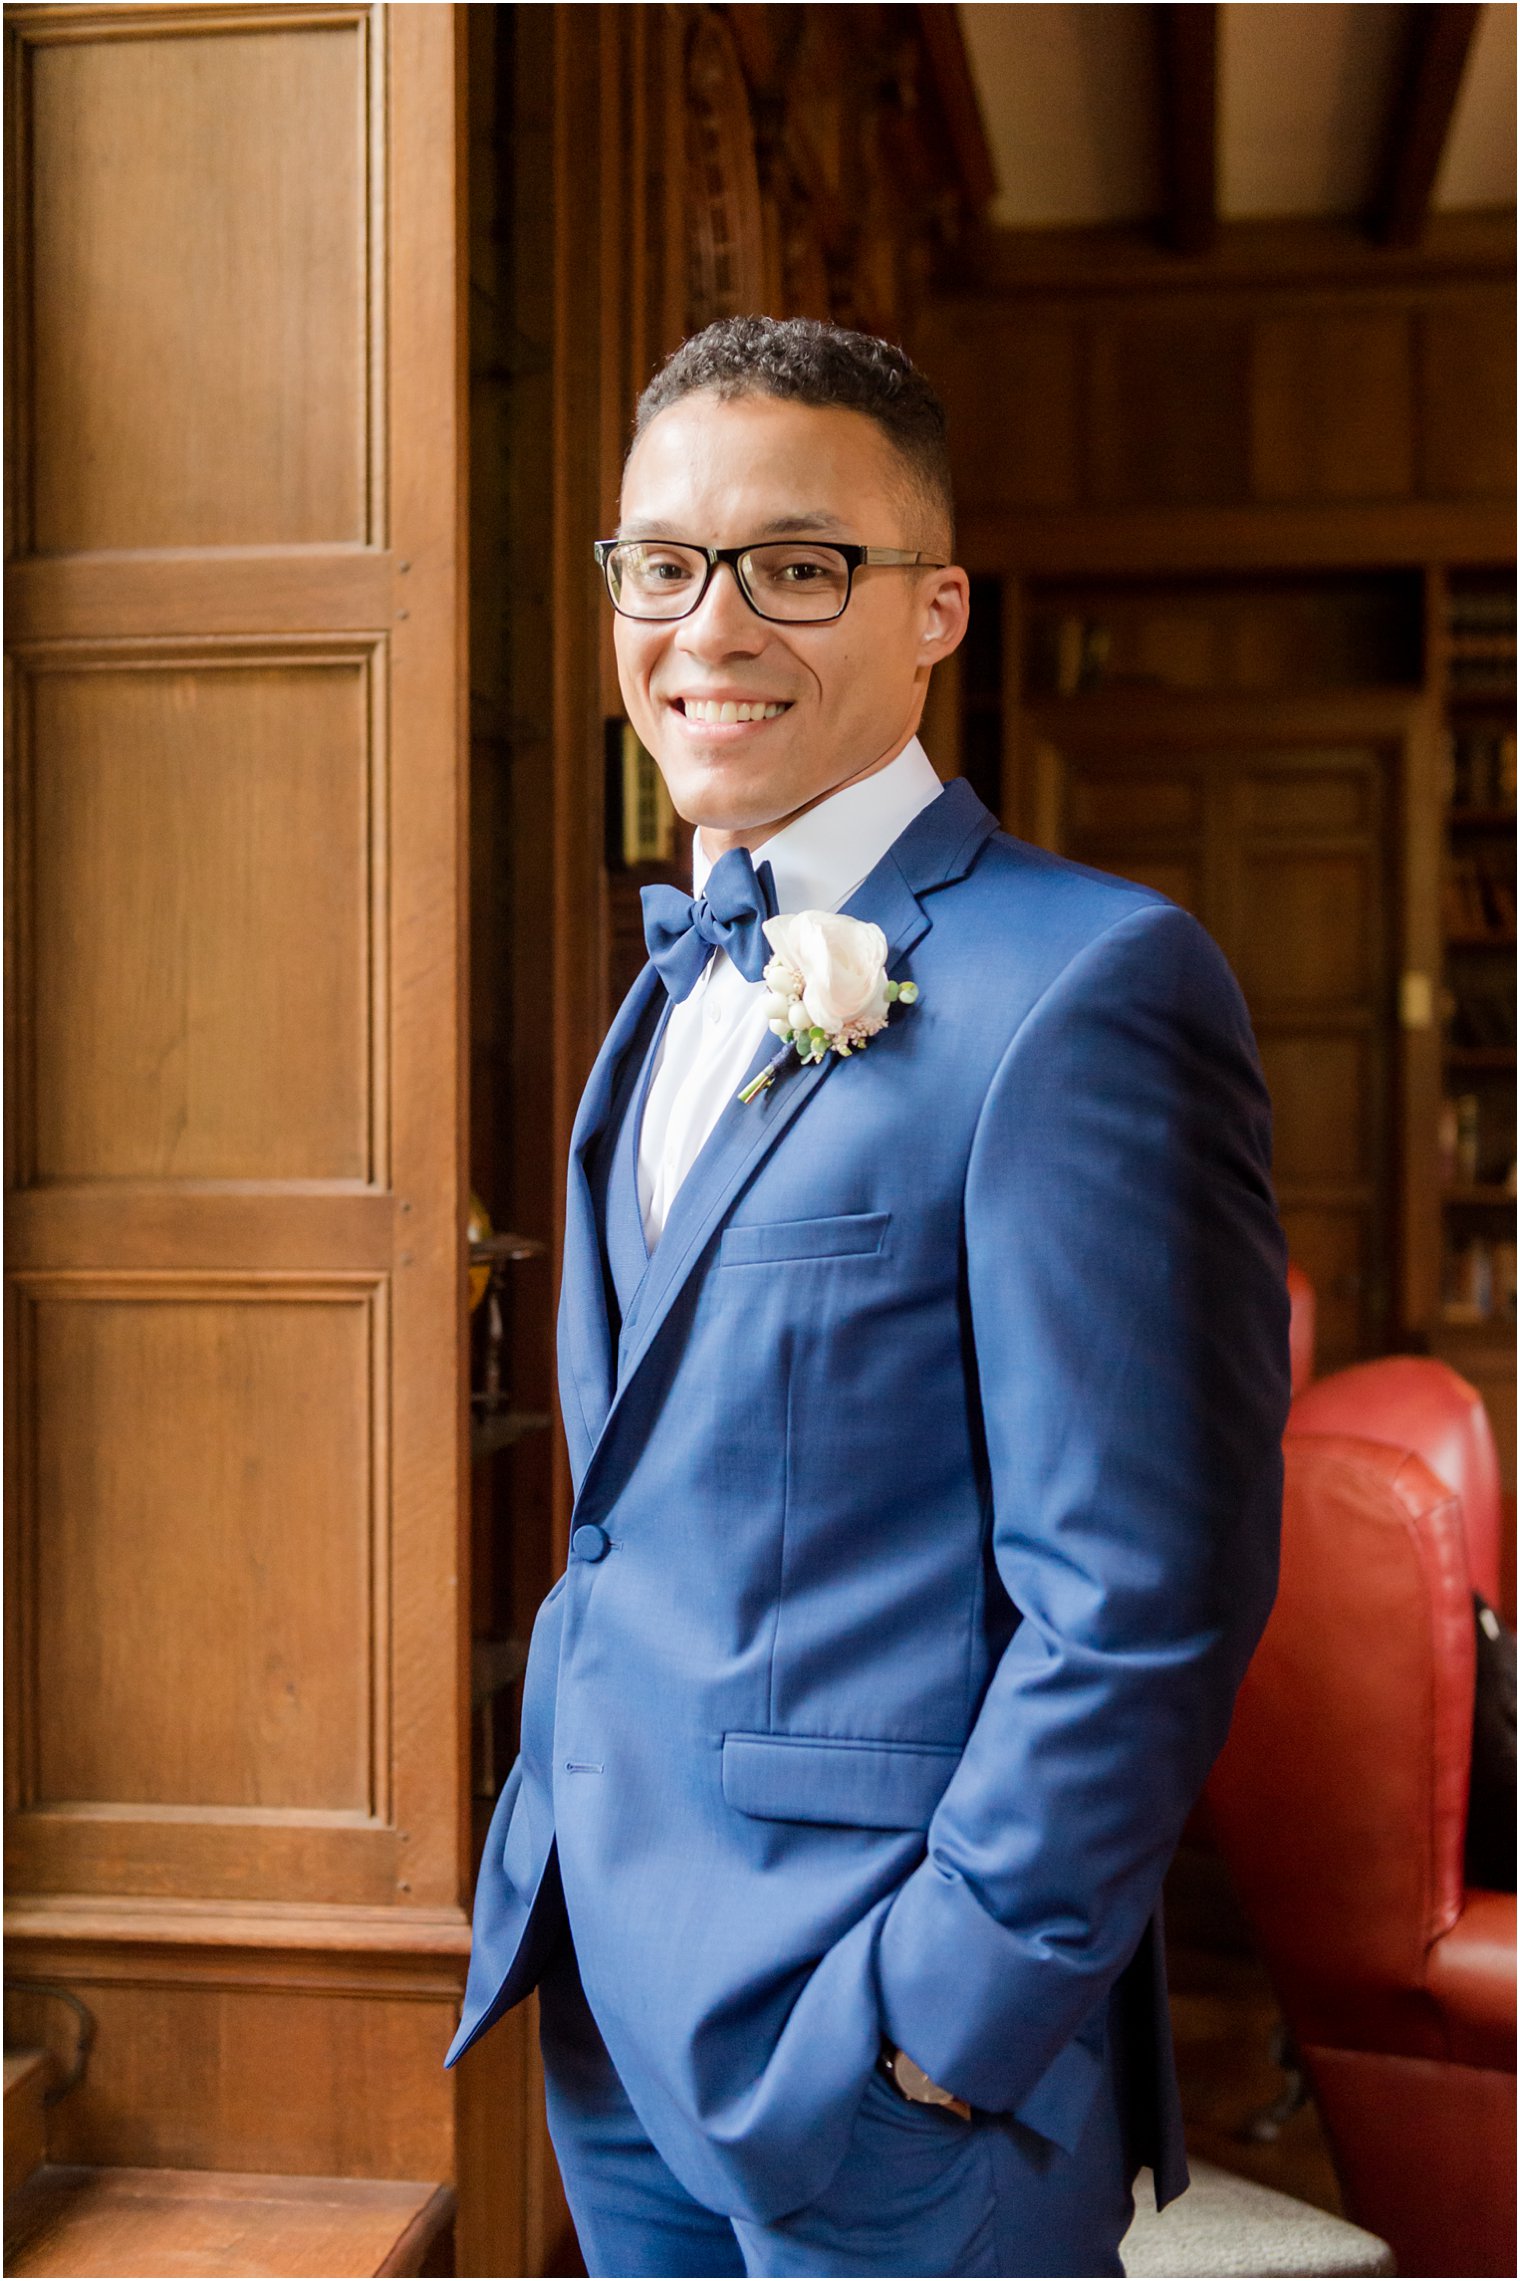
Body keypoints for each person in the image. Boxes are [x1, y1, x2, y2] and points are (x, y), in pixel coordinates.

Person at [447, 315, 1290, 2278]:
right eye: (661, 563)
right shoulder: (665, 980)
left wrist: (942, 2021)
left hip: (890, 2058)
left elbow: (1146, 1598)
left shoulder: (1089, 985)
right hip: (614, 1991)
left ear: (934, 609)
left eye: (795, 564)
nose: (708, 625)